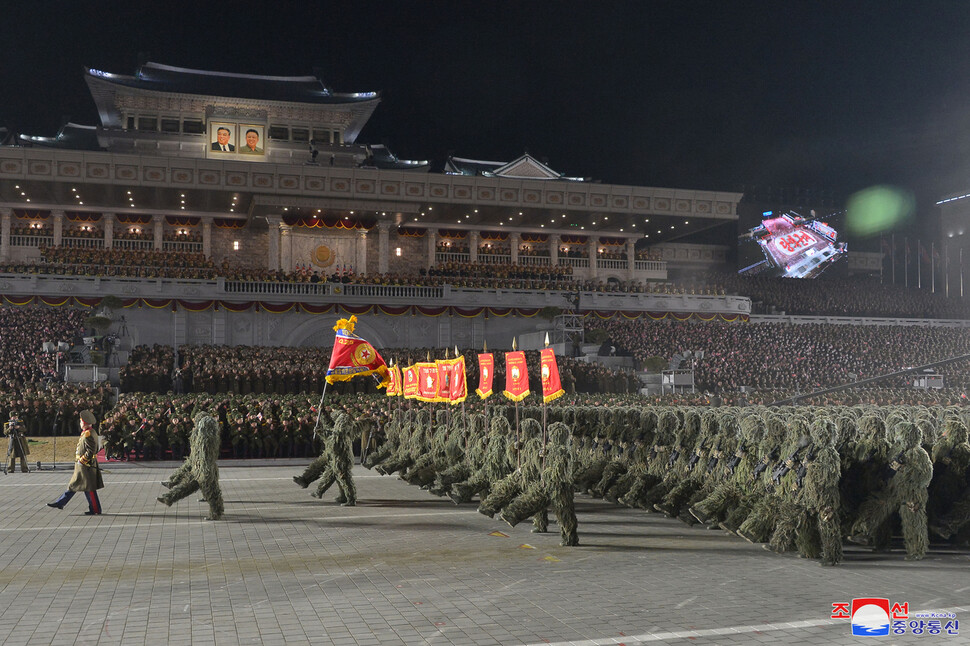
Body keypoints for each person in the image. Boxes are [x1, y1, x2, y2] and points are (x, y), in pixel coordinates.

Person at [47, 410, 104, 514]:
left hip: (86, 465)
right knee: (74, 485)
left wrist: (83, 460)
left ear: (85, 423)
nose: (80, 423)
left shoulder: (89, 434)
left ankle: (95, 509)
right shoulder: (88, 432)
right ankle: (60, 502)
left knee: (89, 489)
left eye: (81, 422)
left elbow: (91, 450)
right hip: (82, 466)